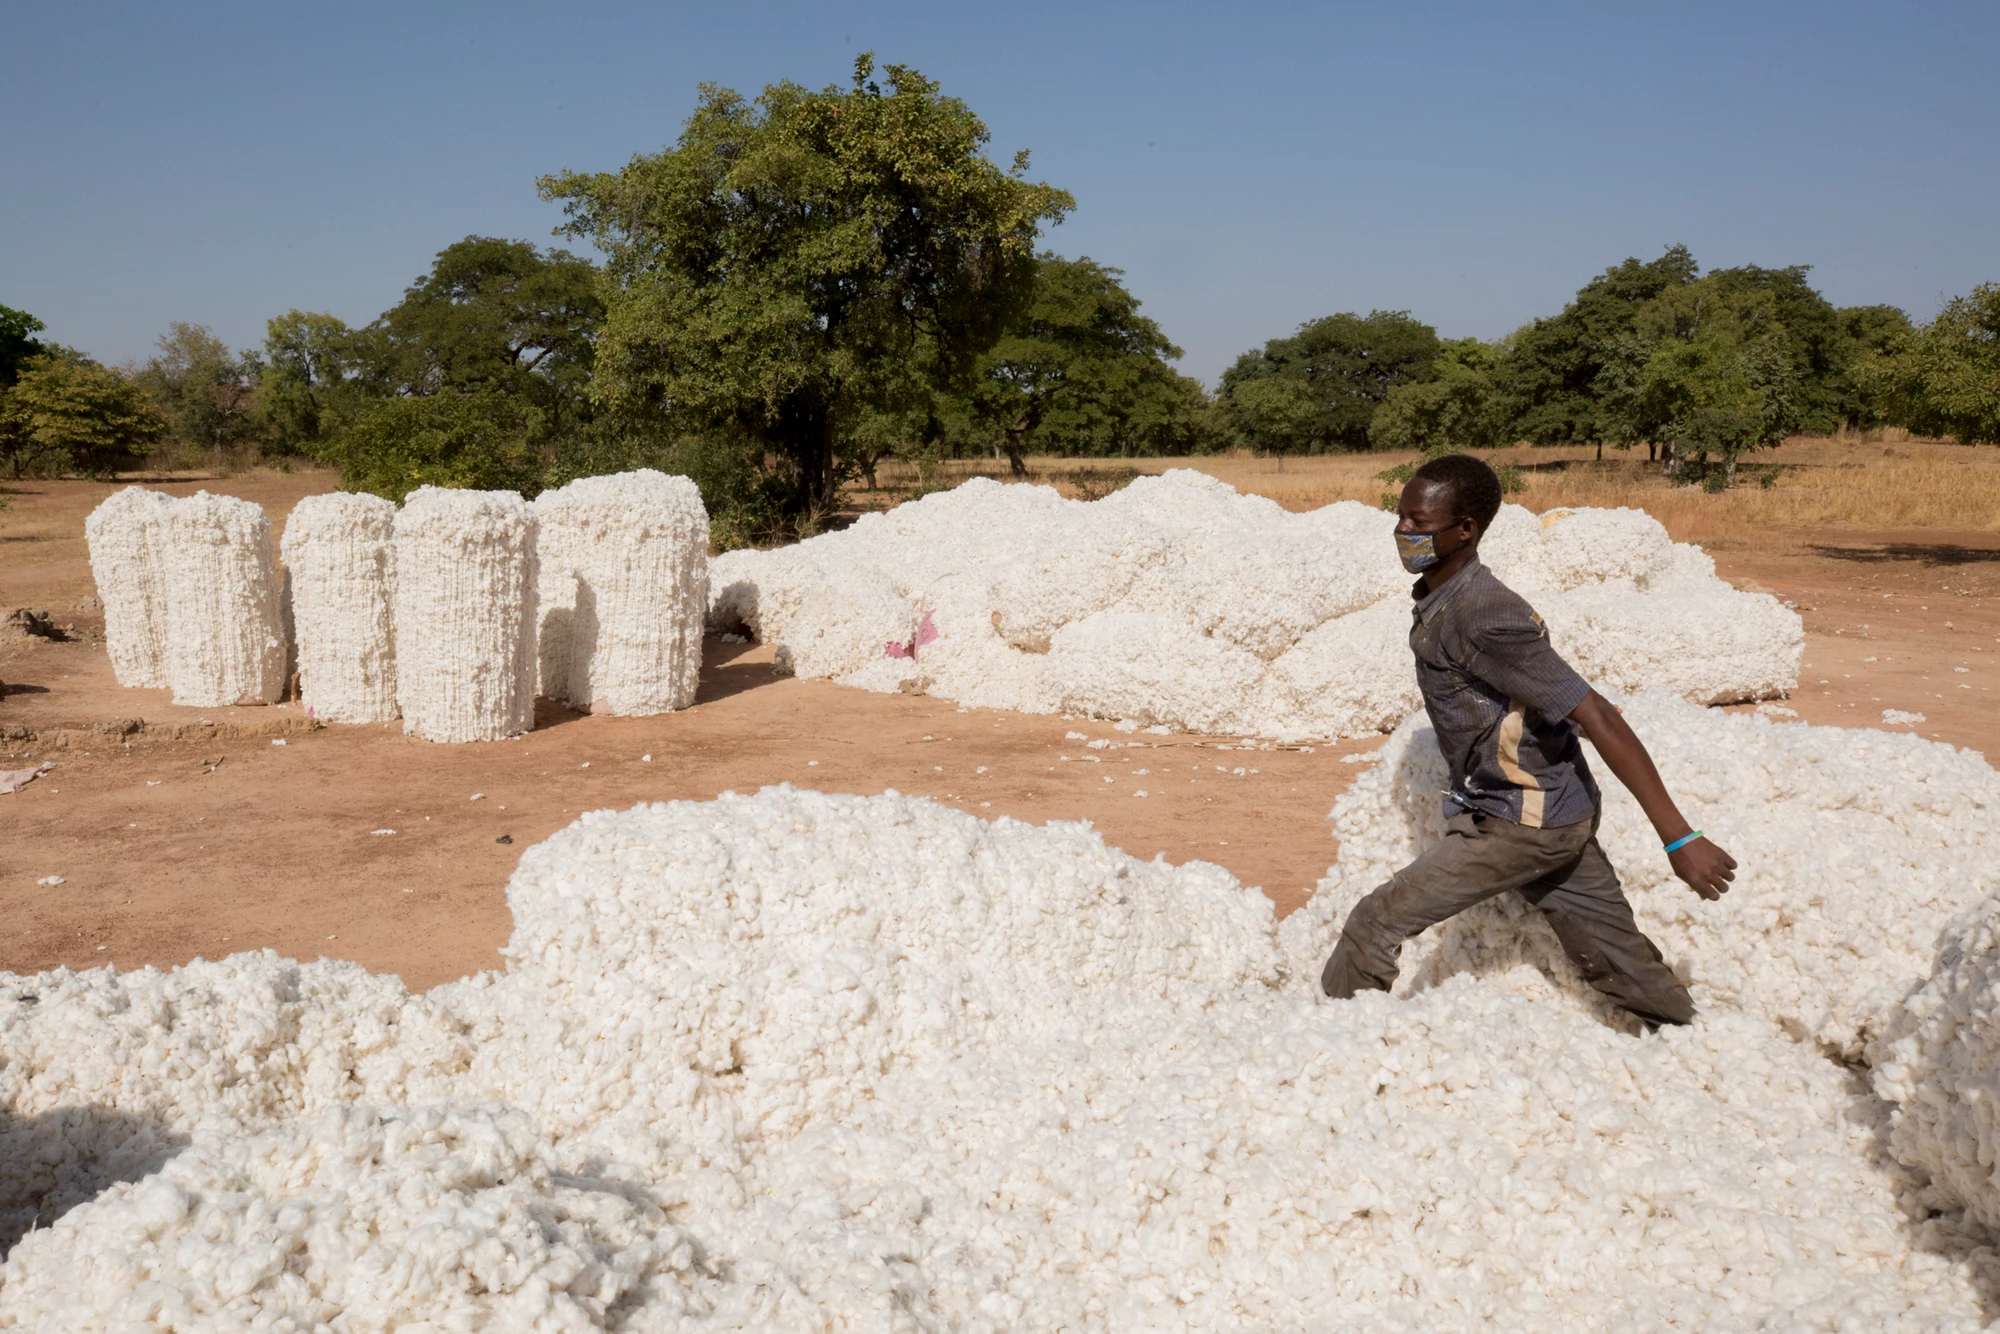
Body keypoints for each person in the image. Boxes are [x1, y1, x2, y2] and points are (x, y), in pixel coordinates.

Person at [1320, 454, 1735, 1027]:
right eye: (1400, 518)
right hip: (1557, 814)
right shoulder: (1444, 595)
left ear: (1465, 529)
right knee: (1619, 960)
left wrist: (1678, 838)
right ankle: (1694, 1041)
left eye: (1419, 523)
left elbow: (1598, 716)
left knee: (1374, 923)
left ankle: (1332, 1047)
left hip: (1521, 823)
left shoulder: (1484, 615)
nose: (1403, 533)